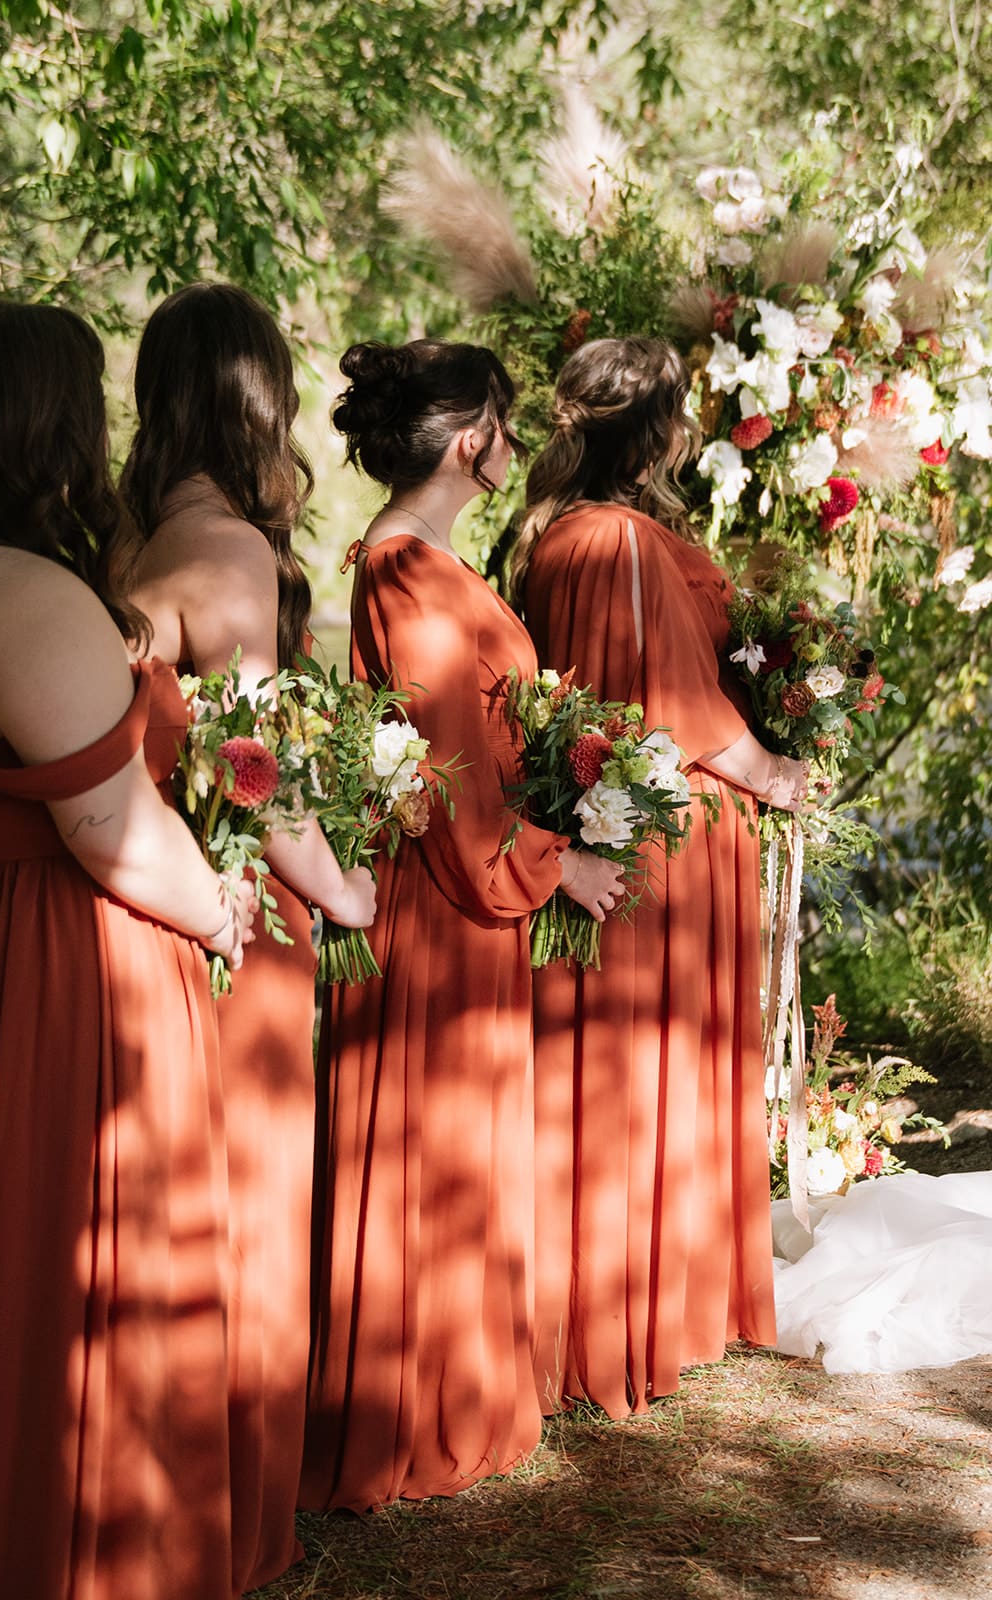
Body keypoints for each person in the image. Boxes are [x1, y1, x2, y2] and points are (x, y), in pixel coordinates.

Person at [0, 300, 255, 1600]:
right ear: (46, 424)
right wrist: (220, 907)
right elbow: (111, 829)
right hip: (67, 966)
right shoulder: (31, 598)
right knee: (92, 1261)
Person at [300, 339, 623, 1512]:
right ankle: (412, 1410)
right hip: (446, 895)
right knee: (431, 1139)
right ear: (465, 437)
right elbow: (441, 770)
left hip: (472, 887)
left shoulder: (434, 557)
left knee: (464, 1140)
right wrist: (555, 859)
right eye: (502, 418)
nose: (515, 440)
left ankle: (466, 1387)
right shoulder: (403, 569)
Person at [122, 281, 376, 1593]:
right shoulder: (229, 553)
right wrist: (344, 892)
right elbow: (257, 769)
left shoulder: (127, 541)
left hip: (150, 914)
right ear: (258, 401)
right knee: (250, 1212)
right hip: (236, 921)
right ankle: (232, 1517)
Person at [510, 335, 808, 1419]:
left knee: (616, 1071)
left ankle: (609, 1302)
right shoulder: (622, 542)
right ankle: (635, 1313)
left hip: (614, 829)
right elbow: (671, 707)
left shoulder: (553, 536)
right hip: (660, 845)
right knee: (647, 1066)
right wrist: (778, 772)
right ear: (659, 430)